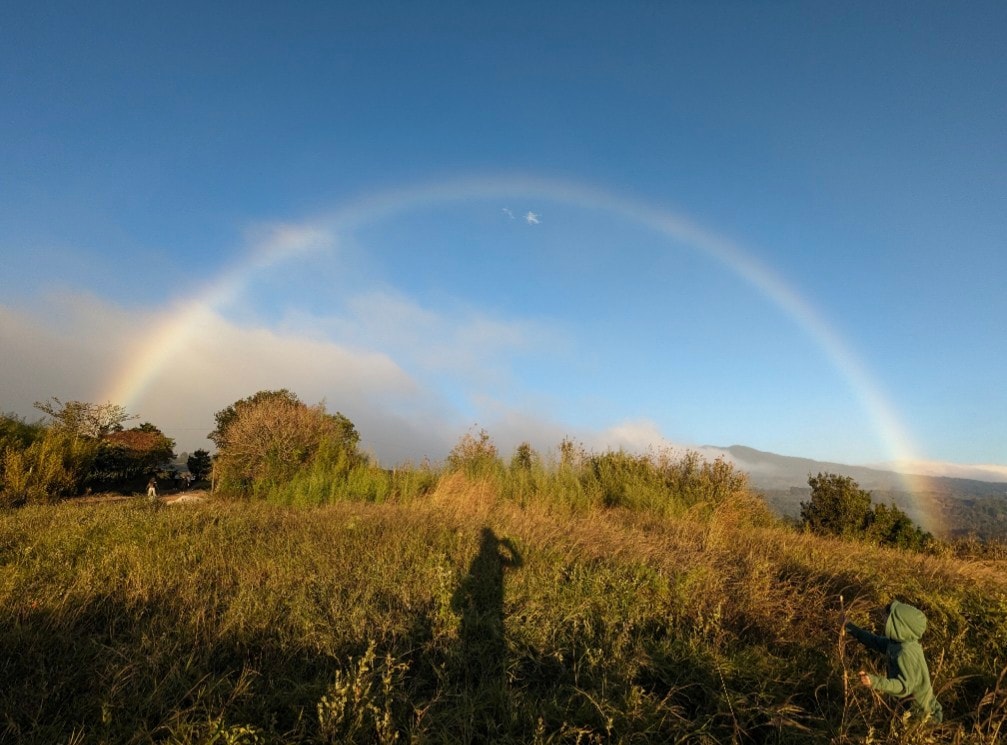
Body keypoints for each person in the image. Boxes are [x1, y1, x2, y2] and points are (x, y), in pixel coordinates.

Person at [844, 600, 943, 723]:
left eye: (889, 618)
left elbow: (903, 687)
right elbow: (874, 641)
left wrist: (875, 681)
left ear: (900, 625)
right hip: (907, 709)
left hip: (920, 716)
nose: (884, 620)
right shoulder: (897, 643)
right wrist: (849, 627)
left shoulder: (905, 652)